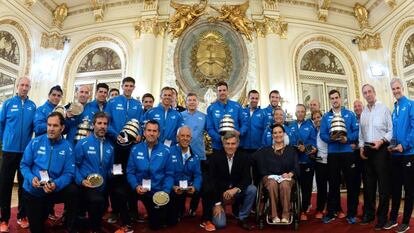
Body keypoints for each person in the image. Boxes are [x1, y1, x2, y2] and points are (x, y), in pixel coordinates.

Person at [20, 112, 78, 233]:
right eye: (49, 125)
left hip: (53, 190)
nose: (51, 129)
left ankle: (69, 224)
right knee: (38, 229)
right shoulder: (35, 142)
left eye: (55, 126)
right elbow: (24, 165)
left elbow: (69, 173)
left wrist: (56, 184)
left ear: (62, 128)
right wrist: (31, 178)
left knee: (74, 191)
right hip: (34, 191)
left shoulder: (67, 147)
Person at [105, 77, 143, 224]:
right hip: (116, 147)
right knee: (116, 177)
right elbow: (107, 123)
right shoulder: (113, 102)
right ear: (122, 86)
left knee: (131, 176)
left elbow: (139, 123)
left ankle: (132, 210)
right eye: (126, 85)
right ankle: (115, 211)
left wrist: (139, 134)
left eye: (131, 86)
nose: (128, 88)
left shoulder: (137, 104)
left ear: (134, 87)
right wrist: (117, 136)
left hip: (131, 148)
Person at [0, 77, 36, 231]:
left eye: (27, 85)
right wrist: (5, 141)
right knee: (5, 186)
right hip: (9, 151)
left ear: (29, 88)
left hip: (25, 153)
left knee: (24, 186)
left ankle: (22, 215)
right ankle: (4, 219)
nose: (24, 87)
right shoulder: (8, 103)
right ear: (17, 86)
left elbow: (35, 127)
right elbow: (1, 125)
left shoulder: (32, 106)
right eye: (22, 85)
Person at [125, 120, 174, 230]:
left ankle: (155, 213)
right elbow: (130, 172)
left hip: (157, 191)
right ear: (144, 132)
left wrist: (164, 192)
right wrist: (136, 186)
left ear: (159, 133)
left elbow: (169, 174)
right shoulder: (135, 149)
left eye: (154, 131)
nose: (151, 133)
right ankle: (129, 216)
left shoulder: (166, 151)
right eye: (149, 130)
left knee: (157, 225)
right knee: (121, 191)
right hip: (138, 188)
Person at [320, 89, 359, 224]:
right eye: (332, 98)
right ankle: (332, 212)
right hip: (333, 154)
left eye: (336, 97)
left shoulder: (350, 114)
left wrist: (347, 139)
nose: (335, 100)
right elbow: (322, 134)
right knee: (333, 184)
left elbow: (356, 131)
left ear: (340, 99)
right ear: (330, 100)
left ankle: (351, 213)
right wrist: (332, 139)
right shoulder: (325, 117)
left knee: (351, 184)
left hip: (347, 153)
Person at [358, 84, 392, 230]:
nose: (368, 94)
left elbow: (391, 130)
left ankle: (383, 217)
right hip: (367, 150)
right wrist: (361, 147)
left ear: (374, 92)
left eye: (369, 92)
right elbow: (361, 133)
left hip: (381, 150)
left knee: (383, 187)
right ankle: (369, 213)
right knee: (369, 186)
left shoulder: (384, 109)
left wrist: (382, 141)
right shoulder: (364, 112)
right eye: (365, 93)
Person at [74, 112, 114, 232]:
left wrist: (114, 173)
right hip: (86, 185)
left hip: (102, 186)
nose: (102, 126)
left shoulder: (110, 147)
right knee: (97, 201)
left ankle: (93, 224)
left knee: (103, 203)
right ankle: (94, 228)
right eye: (99, 123)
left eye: (105, 124)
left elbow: (109, 169)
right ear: (93, 125)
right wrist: (81, 181)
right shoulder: (83, 143)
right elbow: (74, 166)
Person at [383, 78, 414, 233]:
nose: (395, 91)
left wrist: (405, 144)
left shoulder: (411, 105)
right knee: (395, 189)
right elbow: (393, 131)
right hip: (395, 155)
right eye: (393, 89)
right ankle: (393, 219)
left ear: (402, 88)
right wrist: (391, 145)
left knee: (409, 190)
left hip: (408, 154)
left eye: (397, 88)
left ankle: (406, 221)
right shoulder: (394, 108)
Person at [209, 132, 256, 230]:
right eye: (227, 143)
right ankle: (217, 209)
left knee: (252, 189)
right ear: (223, 144)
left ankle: (242, 218)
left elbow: (247, 178)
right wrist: (217, 203)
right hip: (220, 194)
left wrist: (236, 189)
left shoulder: (244, 157)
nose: (230, 146)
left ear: (237, 144)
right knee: (220, 224)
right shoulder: (215, 157)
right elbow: (212, 182)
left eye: (233, 144)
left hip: (236, 192)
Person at [254, 124, 299, 223]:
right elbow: (258, 165)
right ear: (272, 135)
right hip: (270, 177)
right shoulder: (265, 151)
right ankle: (273, 215)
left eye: (280, 132)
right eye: (275, 133)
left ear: (284, 134)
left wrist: (290, 174)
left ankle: (286, 215)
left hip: (286, 178)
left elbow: (296, 168)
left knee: (285, 185)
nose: (277, 135)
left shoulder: (291, 150)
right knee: (272, 183)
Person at [181, 93, 208, 217]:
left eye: (194, 100)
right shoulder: (180, 116)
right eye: (189, 100)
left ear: (197, 103)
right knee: (182, 180)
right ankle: (180, 208)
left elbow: (211, 131)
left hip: (200, 155)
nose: (192, 102)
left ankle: (193, 207)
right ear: (186, 102)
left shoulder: (204, 117)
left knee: (199, 182)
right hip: (183, 155)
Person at [169, 126, 202, 224]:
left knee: (203, 187)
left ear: (191, 139)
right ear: (177, 137)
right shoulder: (169, 152)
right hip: (174, 187)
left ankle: (193, 209)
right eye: (182, 135)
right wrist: (172, 187)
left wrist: (195, 187)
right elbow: (165, 173)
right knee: (172, 220)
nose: (185, 138)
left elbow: (198, 175)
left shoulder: (195, 156)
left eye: (188, 136)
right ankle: (178, 210)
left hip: (188, 185)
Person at [289, 104, 317, 221]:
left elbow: (314, 143)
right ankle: (292, 208)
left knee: (306, 188)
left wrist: (305, 148)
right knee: (292, 188)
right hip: (293, 163)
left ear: (305, 113)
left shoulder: (311, 126)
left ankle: (304, 210)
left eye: (302, 111)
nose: (300, 113)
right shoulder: (290, 126)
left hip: (306, 162)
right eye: (298, 111)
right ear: (295, 113)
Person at [206, 81, 247, 152]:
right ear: (217, 92)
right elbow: (209, 128)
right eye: (220, 90)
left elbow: (244, 124)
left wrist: (240, 132)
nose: (222, 92)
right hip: (218, 146)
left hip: (235, 145)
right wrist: (220, 138)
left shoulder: (237, 106)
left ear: (227, 91)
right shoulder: (211, 108)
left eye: (224, 90)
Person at [312, 110, 328, 219]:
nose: (317, 119)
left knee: (333, 186)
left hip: (331, 160)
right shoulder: (313, 131)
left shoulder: (328, 129)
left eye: (319, 117)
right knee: (321, 187)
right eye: (315, 118)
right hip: (319, 162)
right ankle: (320, 208)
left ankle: (333, 208)